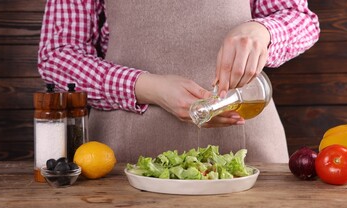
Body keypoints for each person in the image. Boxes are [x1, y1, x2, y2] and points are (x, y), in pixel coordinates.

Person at [38, 0, 320, 163]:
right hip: (123, 154)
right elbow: (58, 56)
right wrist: (147, 87)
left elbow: (300, 19)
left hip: (248, 146)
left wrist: (262, 31)